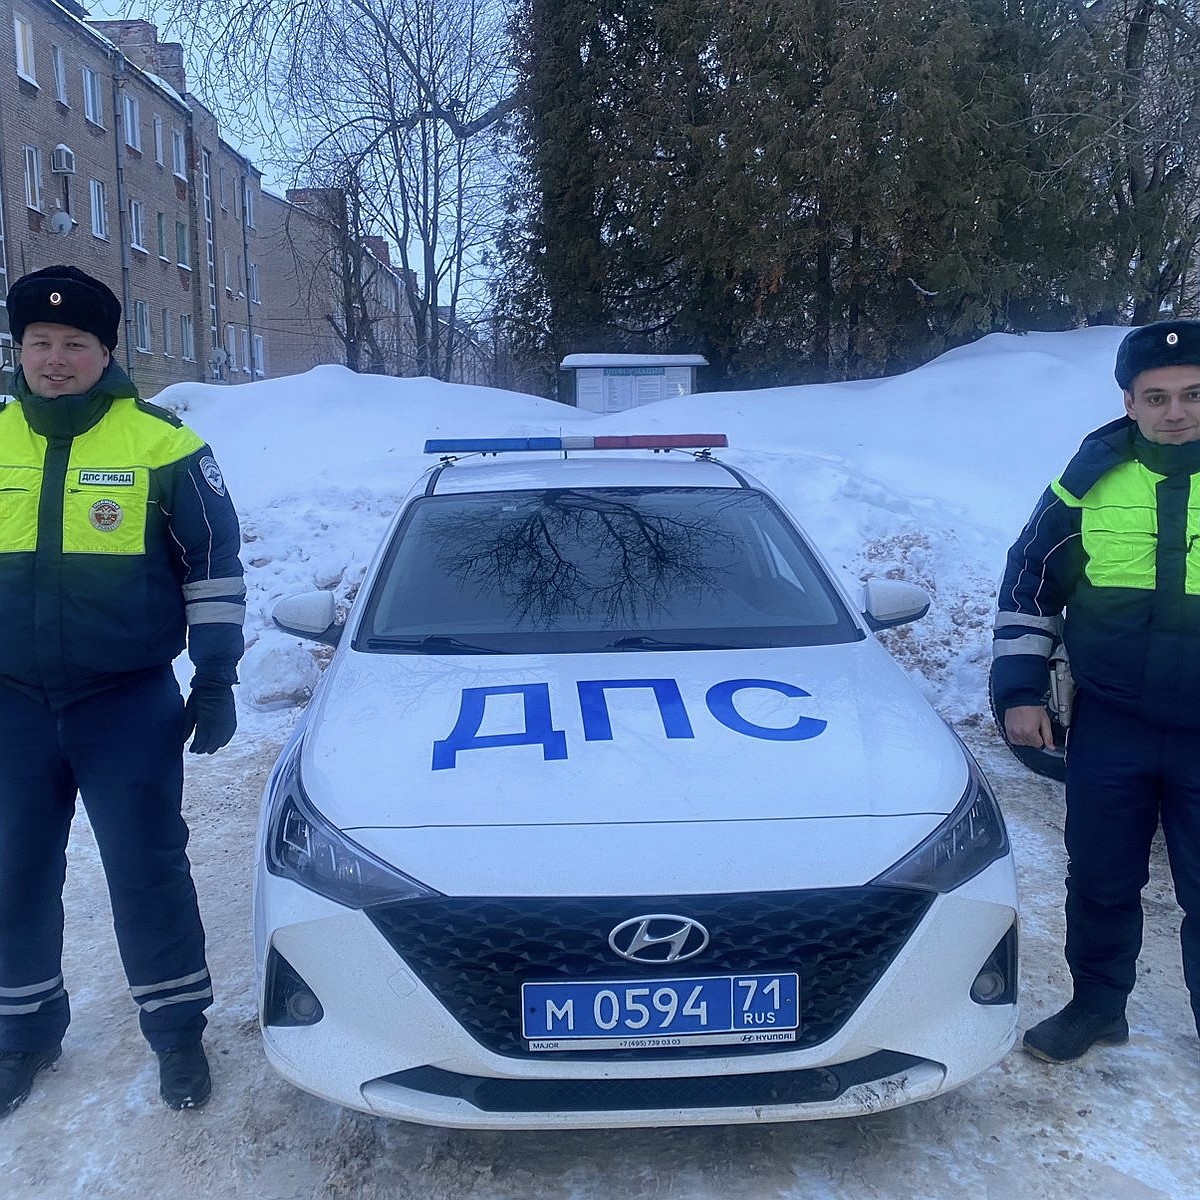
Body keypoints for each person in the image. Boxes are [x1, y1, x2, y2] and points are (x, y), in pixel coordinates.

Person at [0, 266, 245, 1115]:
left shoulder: (164, 444)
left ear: (107, 351)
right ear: (19, 350)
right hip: (12, 707)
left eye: (75, 344)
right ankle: (23, 1032)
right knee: (13, 874)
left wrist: (215, 675)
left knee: (146, 872)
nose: (56, 359)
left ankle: (177, 1035)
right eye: (41, 344)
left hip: (125, 703)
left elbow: (213, 570)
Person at [993, 318, 1200, 1063]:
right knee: (1102, 876)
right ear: (1130, 401)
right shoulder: (1086, 484)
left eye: (1193, 394)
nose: (1176, 410)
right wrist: (1020, 690)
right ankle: (1096, 1006)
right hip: (1115, 721)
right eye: (1158, 396)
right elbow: (1029, 585)